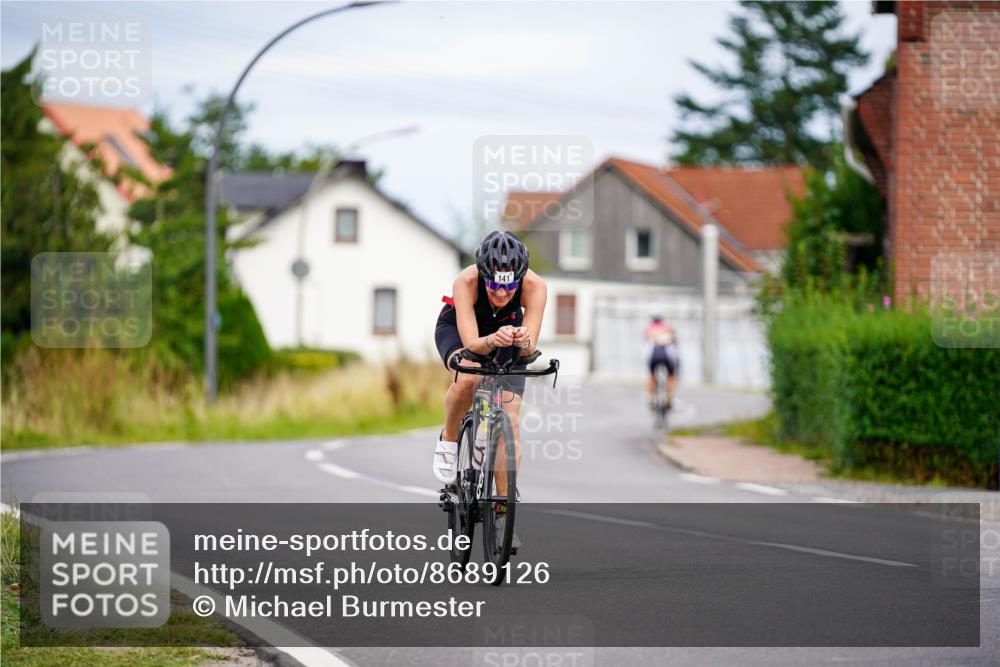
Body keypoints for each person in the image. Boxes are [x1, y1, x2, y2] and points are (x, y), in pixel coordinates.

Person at [433, 232, 547, 550]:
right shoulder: (466, 282)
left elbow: (529, 349)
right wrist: (491, 340)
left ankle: (501, 511)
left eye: (509, 285)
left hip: (507, 336)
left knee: (509, 420)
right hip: (460, 331)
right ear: (482, 274)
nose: (500, 291)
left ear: (521, 278)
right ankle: (450, 439)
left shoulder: (535, 287)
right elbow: (471, 344)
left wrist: (523, 341)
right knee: (468, 380)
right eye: (493, 283)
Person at [645, 315, 679, 409]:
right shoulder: (668, 328)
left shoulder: (648, 329)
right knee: (672, 375)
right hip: (667, 356)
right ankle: (669, 397)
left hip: (653, 356)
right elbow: (675, 341)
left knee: (651, 375)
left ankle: (651, 398)